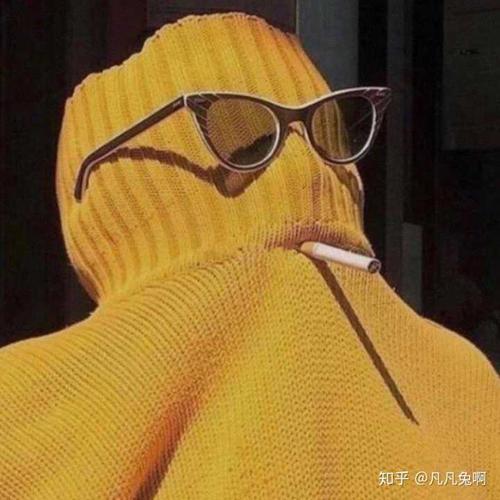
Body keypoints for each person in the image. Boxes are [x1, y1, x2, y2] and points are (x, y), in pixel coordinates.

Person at [1, 12, 499, 498]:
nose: (300, 156)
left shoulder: (23, 407)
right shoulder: (466, 380)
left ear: (97, 192)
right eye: (243, 133)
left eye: (326, 128)